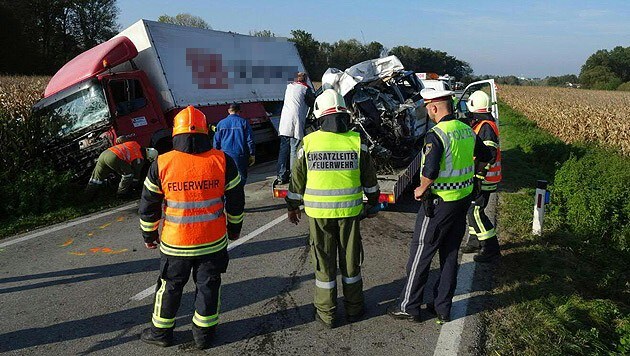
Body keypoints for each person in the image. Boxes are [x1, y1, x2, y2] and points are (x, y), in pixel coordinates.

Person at [138, 106, 244, 349]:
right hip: (213, 241)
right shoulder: (222, 160)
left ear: (176, 133)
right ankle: (204, 335)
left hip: (176, 244)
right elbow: (236, 200)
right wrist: (234, 228)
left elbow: (149, 204)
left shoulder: (162, 163)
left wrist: (149, 234)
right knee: (208, 285)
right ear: (206, 131)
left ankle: (161, 333)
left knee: (169, 286)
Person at [387, 89, 491, 324]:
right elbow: (487, 154)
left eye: (427, 108)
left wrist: (421, 189)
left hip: (438, 204)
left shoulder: (436, 134)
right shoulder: (467, 129)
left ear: (434, 108)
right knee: (450, 254)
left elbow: (430, 171)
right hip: (461, 201)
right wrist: (475, 175)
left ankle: (409, 306)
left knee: (421, 254)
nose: (428, 113)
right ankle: (442, 307)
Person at [285, 89, 380, 329]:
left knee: (323, 263)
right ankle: (354, 309)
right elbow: (370, 179)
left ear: (319, 115)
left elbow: (297, 179)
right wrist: (373, 202)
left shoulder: (309, 142)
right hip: (349, 214)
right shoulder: (357, 141)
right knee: (350, 263)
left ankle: (326, 314)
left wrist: (293, 206)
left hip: (318, 216)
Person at [461, 90, 502, 262]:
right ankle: (474, 240)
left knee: (475, 211)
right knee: (472, 209)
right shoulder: (482, 124)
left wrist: (478, 176)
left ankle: (490, 248)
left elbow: (489, 154)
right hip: (483, 177)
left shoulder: (485, 127)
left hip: (483, 178)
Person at [275, 72, 315, 184]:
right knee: (294, 149)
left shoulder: (289, 87)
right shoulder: (305, 89)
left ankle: (281, 175)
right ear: (305, 80)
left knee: (283, 150)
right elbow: (313, 102)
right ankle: (294, 175)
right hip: (295, 122)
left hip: (285, 122)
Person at [84, 137, 152, 198]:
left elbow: (122, 139)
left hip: (104, 154)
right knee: (128, 174)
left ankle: (86, 197)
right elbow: (136, 174)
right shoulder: (139, 158)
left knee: (96, 179)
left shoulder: (135, 143)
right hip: (114, 157)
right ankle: (121, 194)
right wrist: (134, 185)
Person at [213, 103, 256, 184]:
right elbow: (250, 140)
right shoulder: (243, 122)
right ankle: (239, 194)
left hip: (225, 155)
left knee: (227, 178)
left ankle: (229, 195)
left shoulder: (221, 123)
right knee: (242, 177)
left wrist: (216, 156)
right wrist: (252, 154)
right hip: (240, 155)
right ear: (239, 111)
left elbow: (216, 142)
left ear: (229, 111)